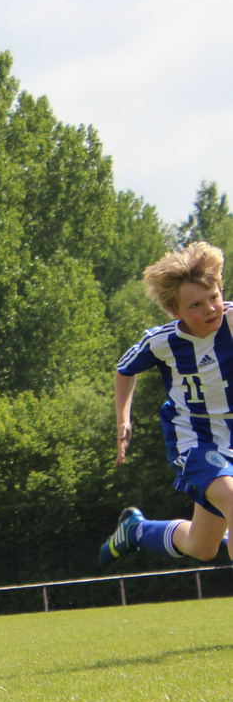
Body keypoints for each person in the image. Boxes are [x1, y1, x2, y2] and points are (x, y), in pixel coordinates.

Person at [101, 240, 233, 567]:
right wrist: (123, 419)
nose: (210, 309)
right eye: (196, 305)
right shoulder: (162, 342)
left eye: (213, 298)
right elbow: (124, 370)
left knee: (202, 547)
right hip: (195, 442)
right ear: (176, 312)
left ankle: (135, 530)